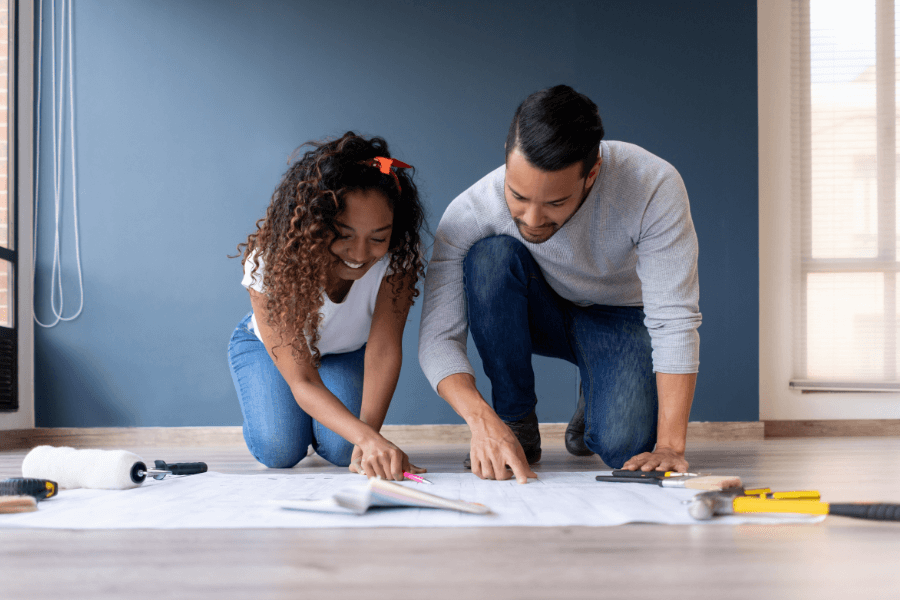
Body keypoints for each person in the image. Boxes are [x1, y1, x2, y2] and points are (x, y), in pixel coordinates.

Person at [418, 85, 701, 483]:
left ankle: (597, 382)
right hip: (542, 308)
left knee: (627, 448)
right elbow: (437, 340)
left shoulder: (652, 185)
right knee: (490, 260)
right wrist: (482, 419)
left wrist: (671, 447)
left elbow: (674, 320)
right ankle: (515, 422)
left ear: (593, 173)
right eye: (518, 196)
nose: (532, 219)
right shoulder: (469, 212)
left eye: (554, 203)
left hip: (620, 317)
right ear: (506, 156)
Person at [228, 132, 427, 481]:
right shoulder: (270, 262)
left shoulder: (399, 260)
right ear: (315, 225)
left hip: (344, 352)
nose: (361, 254)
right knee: (279, 448)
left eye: (378, 238)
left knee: (342, 450)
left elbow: (383, 350)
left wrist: (368, 441)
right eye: (344, 234)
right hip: (272, 350)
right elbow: (303, 378)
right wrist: (368, 438)